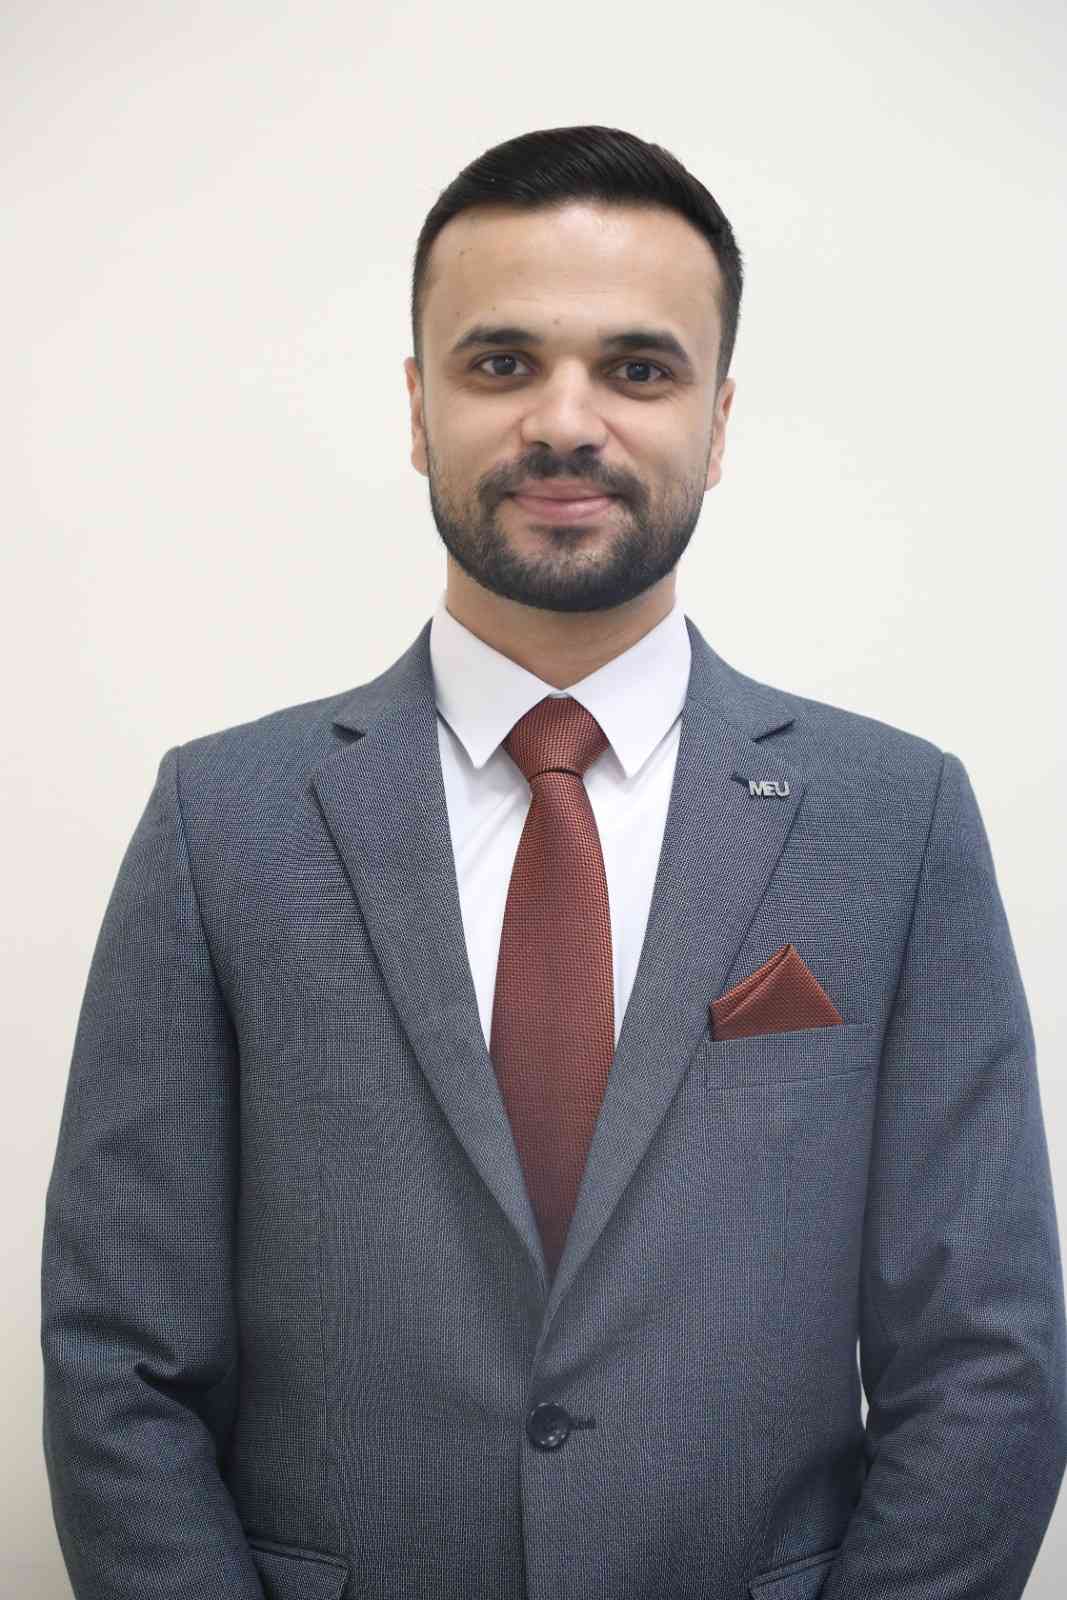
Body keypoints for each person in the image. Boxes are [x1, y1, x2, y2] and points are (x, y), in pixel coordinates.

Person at [42, 124, 1066, 1600]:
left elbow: (986, 1362)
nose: (566, 423)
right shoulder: (224, 819)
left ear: (718, 420)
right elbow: (117, 1359)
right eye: (502, 362)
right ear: (418, 408)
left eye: (638, 370)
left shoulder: (895, 821)